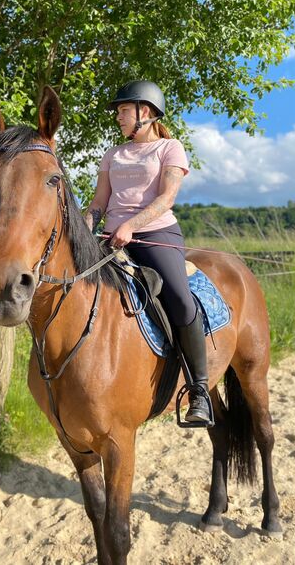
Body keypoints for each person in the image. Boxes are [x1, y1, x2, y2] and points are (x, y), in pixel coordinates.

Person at [84, 80, 211, 425]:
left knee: (182, 301)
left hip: (156, 235)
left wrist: (131, 226)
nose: (119, 118)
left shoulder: (170, 148)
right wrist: (84, 228)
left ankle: (199, 391)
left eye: (124, 111)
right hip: (112, 238)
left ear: (147, 111)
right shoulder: (112, 155)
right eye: (119, 112)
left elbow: (166, 199)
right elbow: (99, 202)